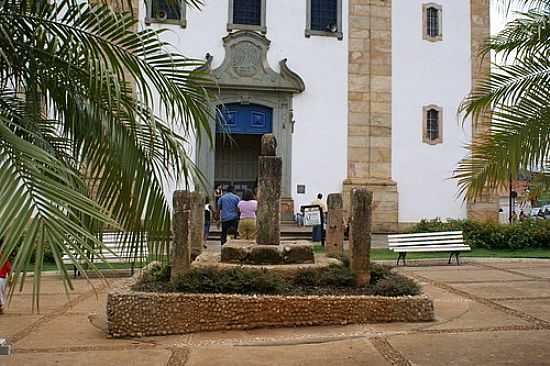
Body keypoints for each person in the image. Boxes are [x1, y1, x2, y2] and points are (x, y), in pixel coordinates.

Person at [0, 239, 12, 315]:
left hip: (1, 278)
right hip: (2, 279)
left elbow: (9, 269)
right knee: (1, 295)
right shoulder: (4, 257)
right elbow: (9, 269)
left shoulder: (3, 257)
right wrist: (10, 280)